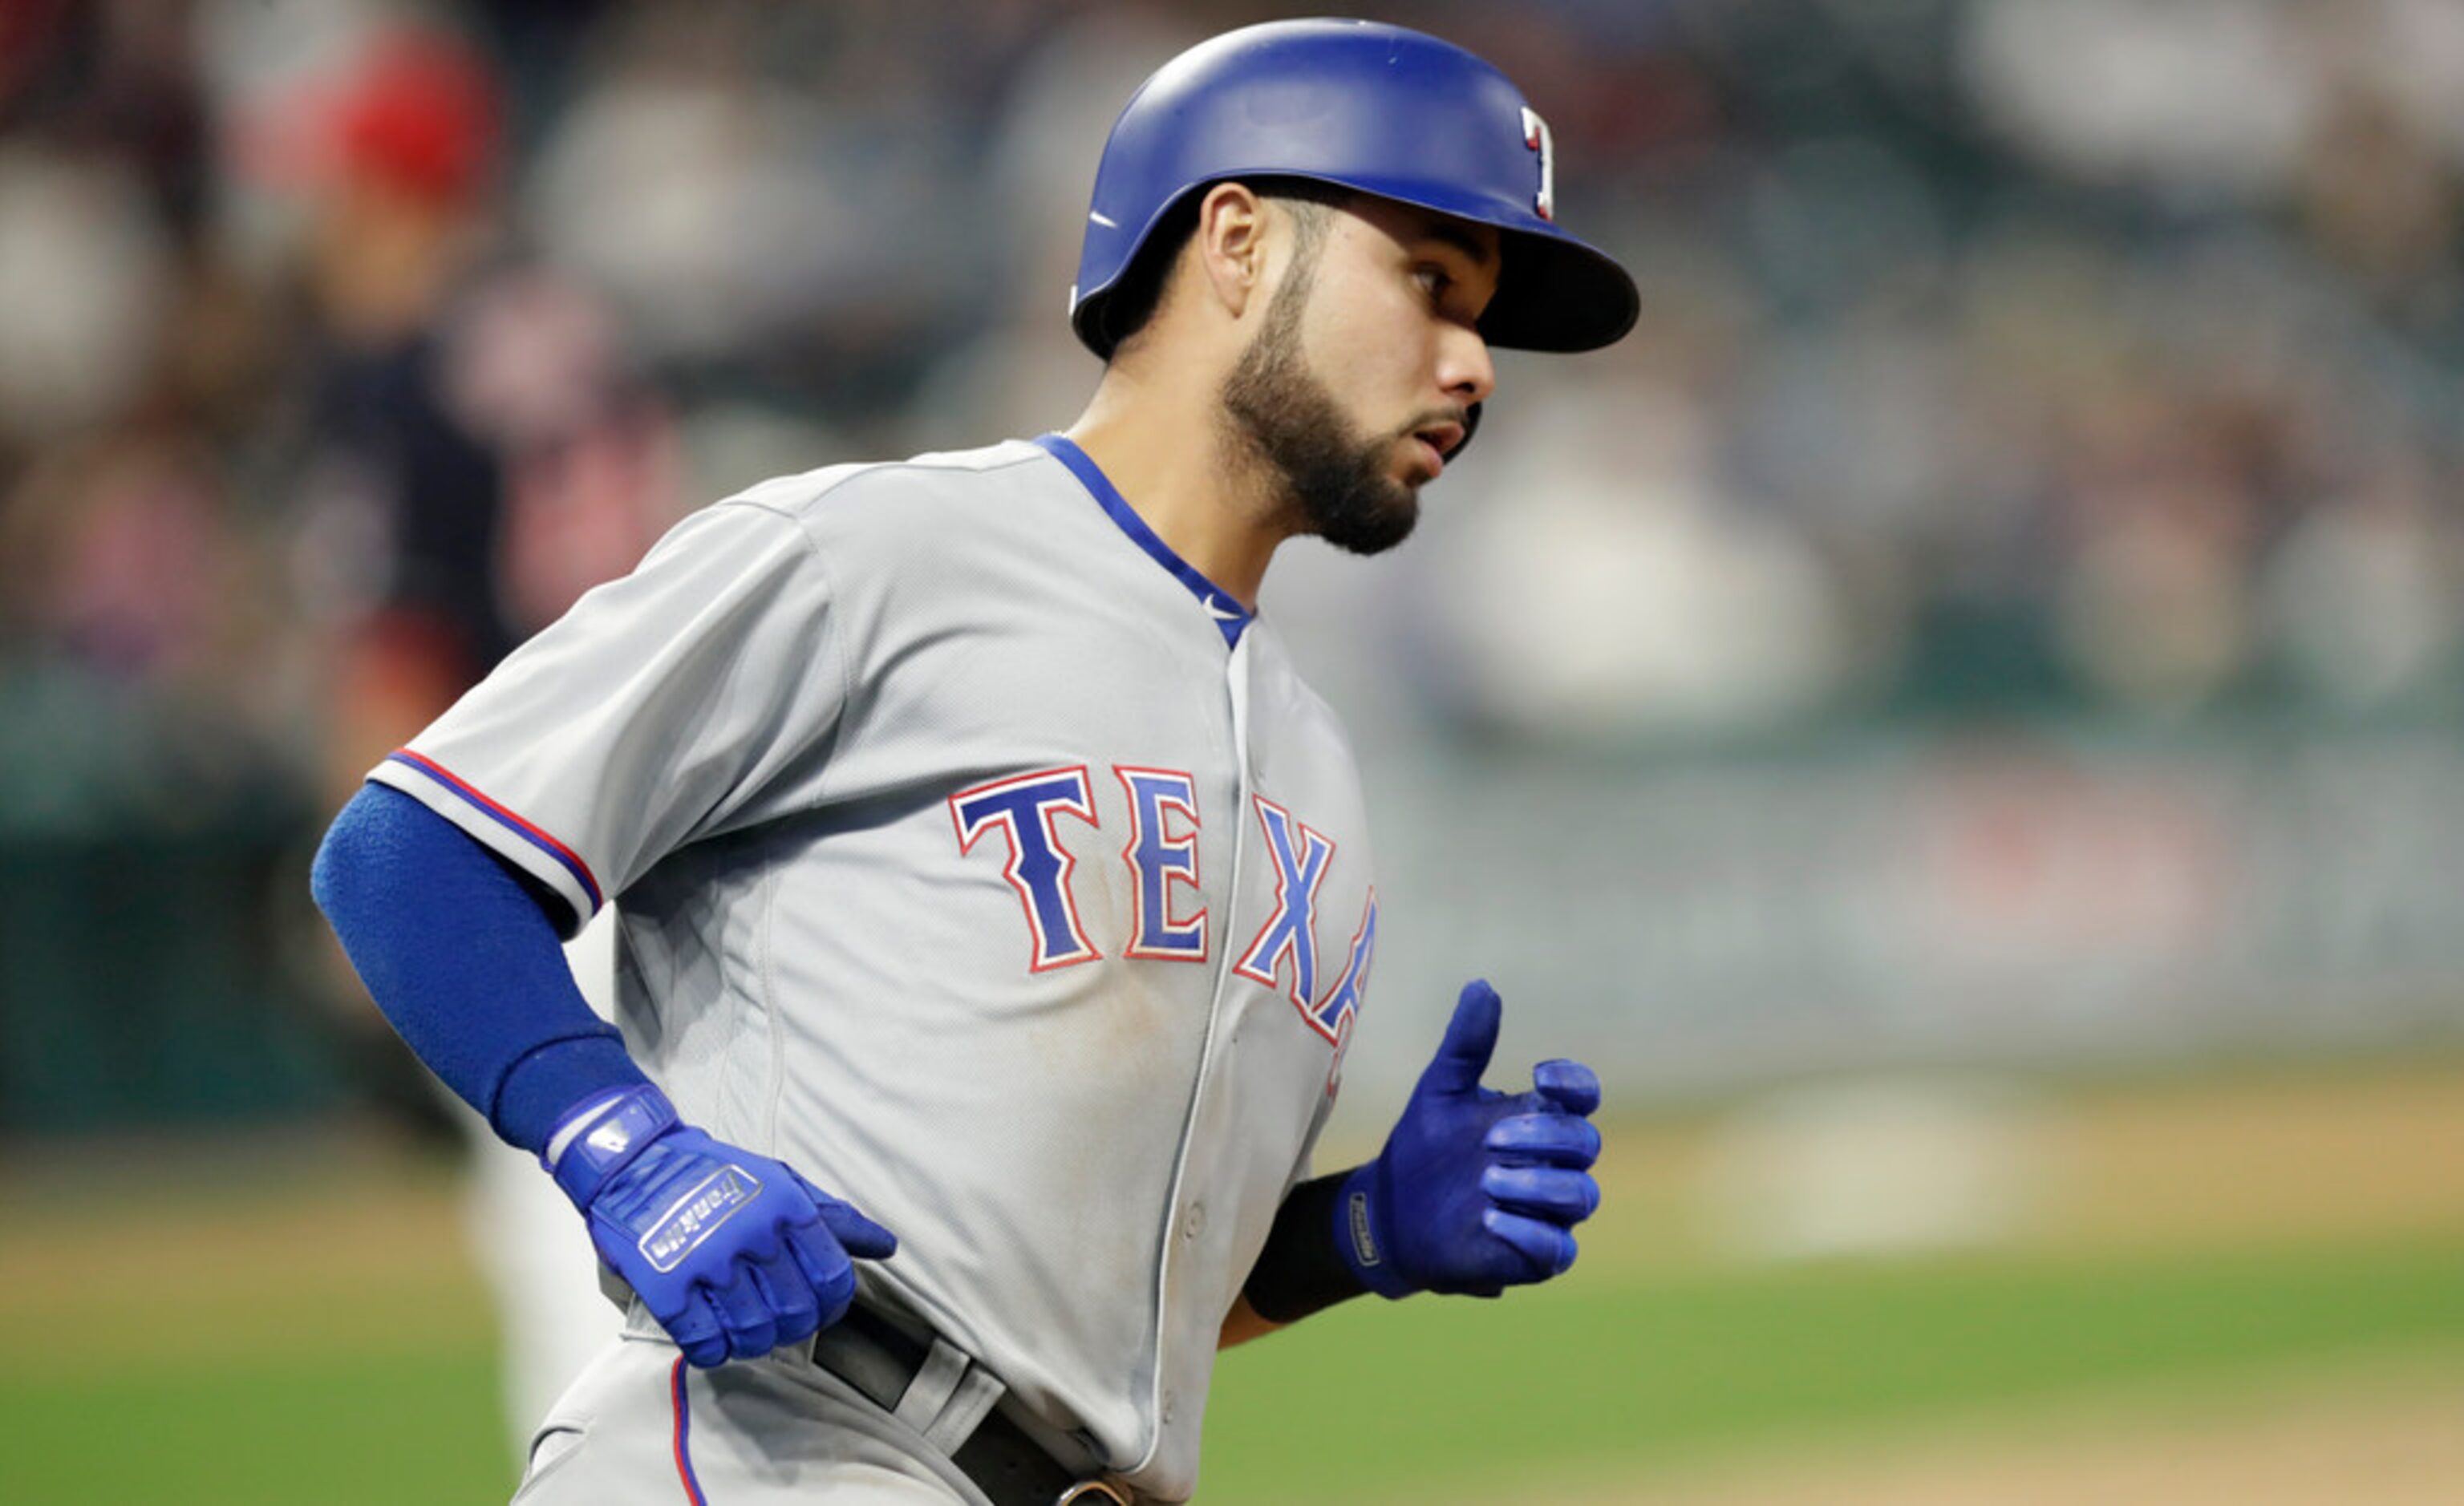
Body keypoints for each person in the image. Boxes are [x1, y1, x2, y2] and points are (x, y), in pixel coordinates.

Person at [310, 18, 1635, 1504]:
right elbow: (405, 849)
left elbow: (1076, 1306)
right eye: (1432, 283)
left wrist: (1359, 1236)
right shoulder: (878, 554)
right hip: (772, 1460)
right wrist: (621, 1148)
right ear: (1241, 241)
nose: (1476, 364)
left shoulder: (1317, 764)